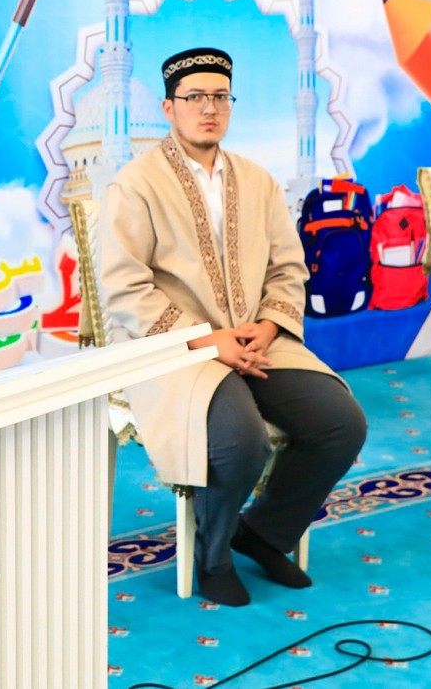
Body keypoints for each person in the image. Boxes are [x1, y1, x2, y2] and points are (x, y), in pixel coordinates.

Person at [100, 48, 366, 608]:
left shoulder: (257, 180)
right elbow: (123, 287)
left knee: (340, 422)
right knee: (240, 441)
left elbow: (288, 268)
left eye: (220, 97)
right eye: (195, 97)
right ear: (169, 108)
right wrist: (204, 339)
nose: (209, 108)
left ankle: (263, 532)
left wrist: (269, 325)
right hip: (171, 348)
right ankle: (213, 554)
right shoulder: (136, 184)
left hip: (254, 339)